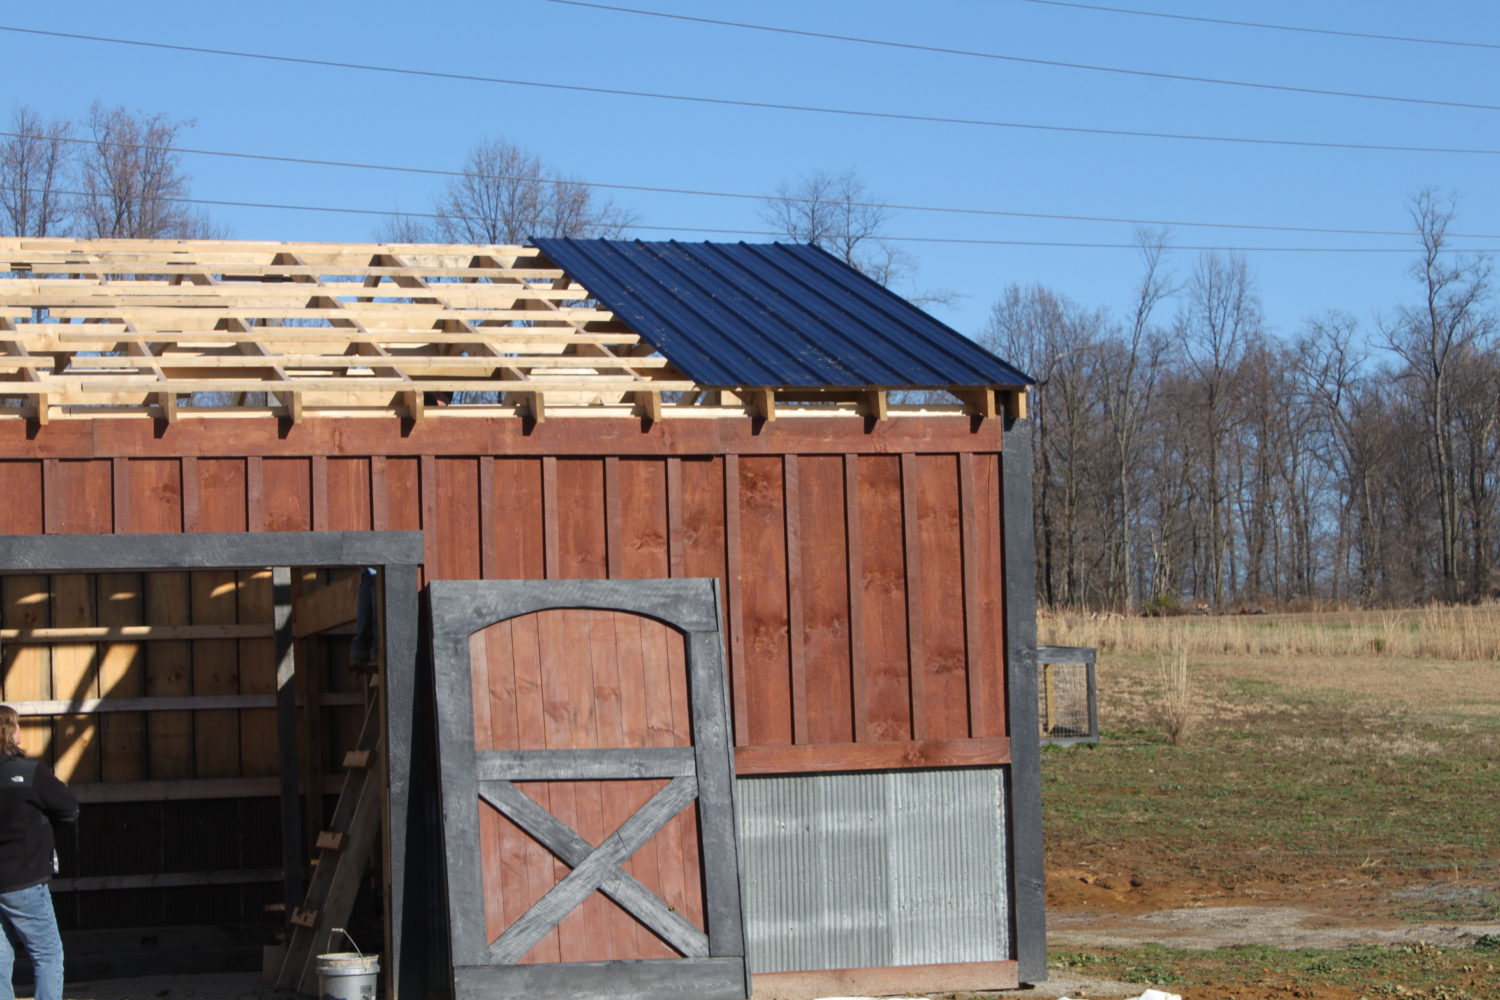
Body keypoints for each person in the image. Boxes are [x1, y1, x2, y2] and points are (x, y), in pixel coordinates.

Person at [0, 706, 77, 1000]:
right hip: (25, 880)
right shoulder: (29, 773)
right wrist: (45, 831)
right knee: (47, 955)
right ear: (10, 731)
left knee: (0, 960)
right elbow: (68, 807)